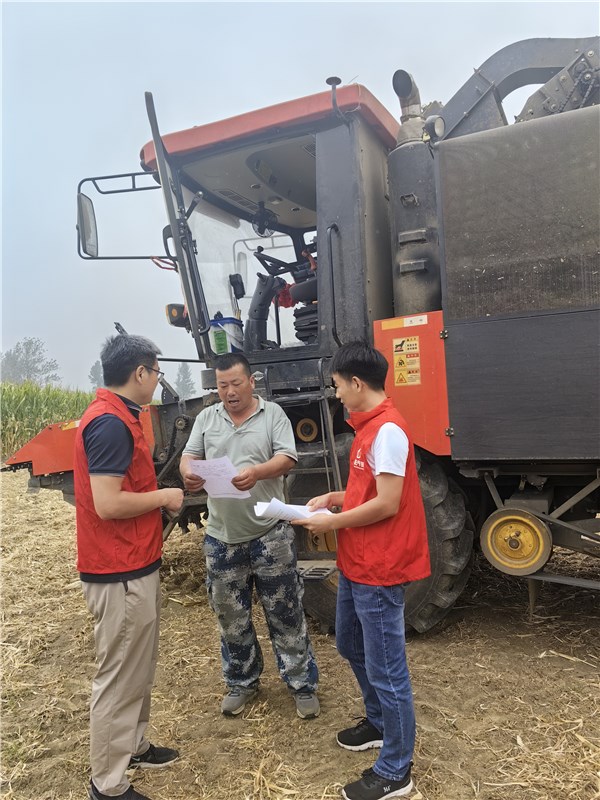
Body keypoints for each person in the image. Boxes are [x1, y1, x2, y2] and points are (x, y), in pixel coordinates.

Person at [292, 341, 430, 800]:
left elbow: (387, 503)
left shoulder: (387, 430)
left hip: (380, 567)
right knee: (350, 644)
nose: (335, 394)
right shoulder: (369, 428)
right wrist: (336, 498)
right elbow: (370, 490)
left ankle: (396, 770)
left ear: (355, 382)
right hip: (357, 562)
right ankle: (378, 722)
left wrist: (332, 522)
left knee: (389, 670)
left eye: (336, 385)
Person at [179, 352, 319, 719]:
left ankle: (301, 684)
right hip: (222, 538)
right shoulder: (207, 419)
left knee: (286, 613)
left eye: (235, 384)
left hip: (270, 535)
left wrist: (257, 472)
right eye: (222, 385)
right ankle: (242, 682)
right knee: (231, 617)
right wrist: (188, 472)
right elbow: (189, 456)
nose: (229, 392)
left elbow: (288, 458)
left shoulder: (272, 414)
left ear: (251, 382)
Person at [74, 334, 184, 800]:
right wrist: (163, 496)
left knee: (138, 664)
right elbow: (108, 503)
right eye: (156, 372)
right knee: (119, 674)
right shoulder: (109, 424)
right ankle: (108, 782)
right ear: (140, 372)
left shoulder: (122, 416)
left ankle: (133, 745)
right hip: (117, 569)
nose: (157, 380)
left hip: (135, 561)